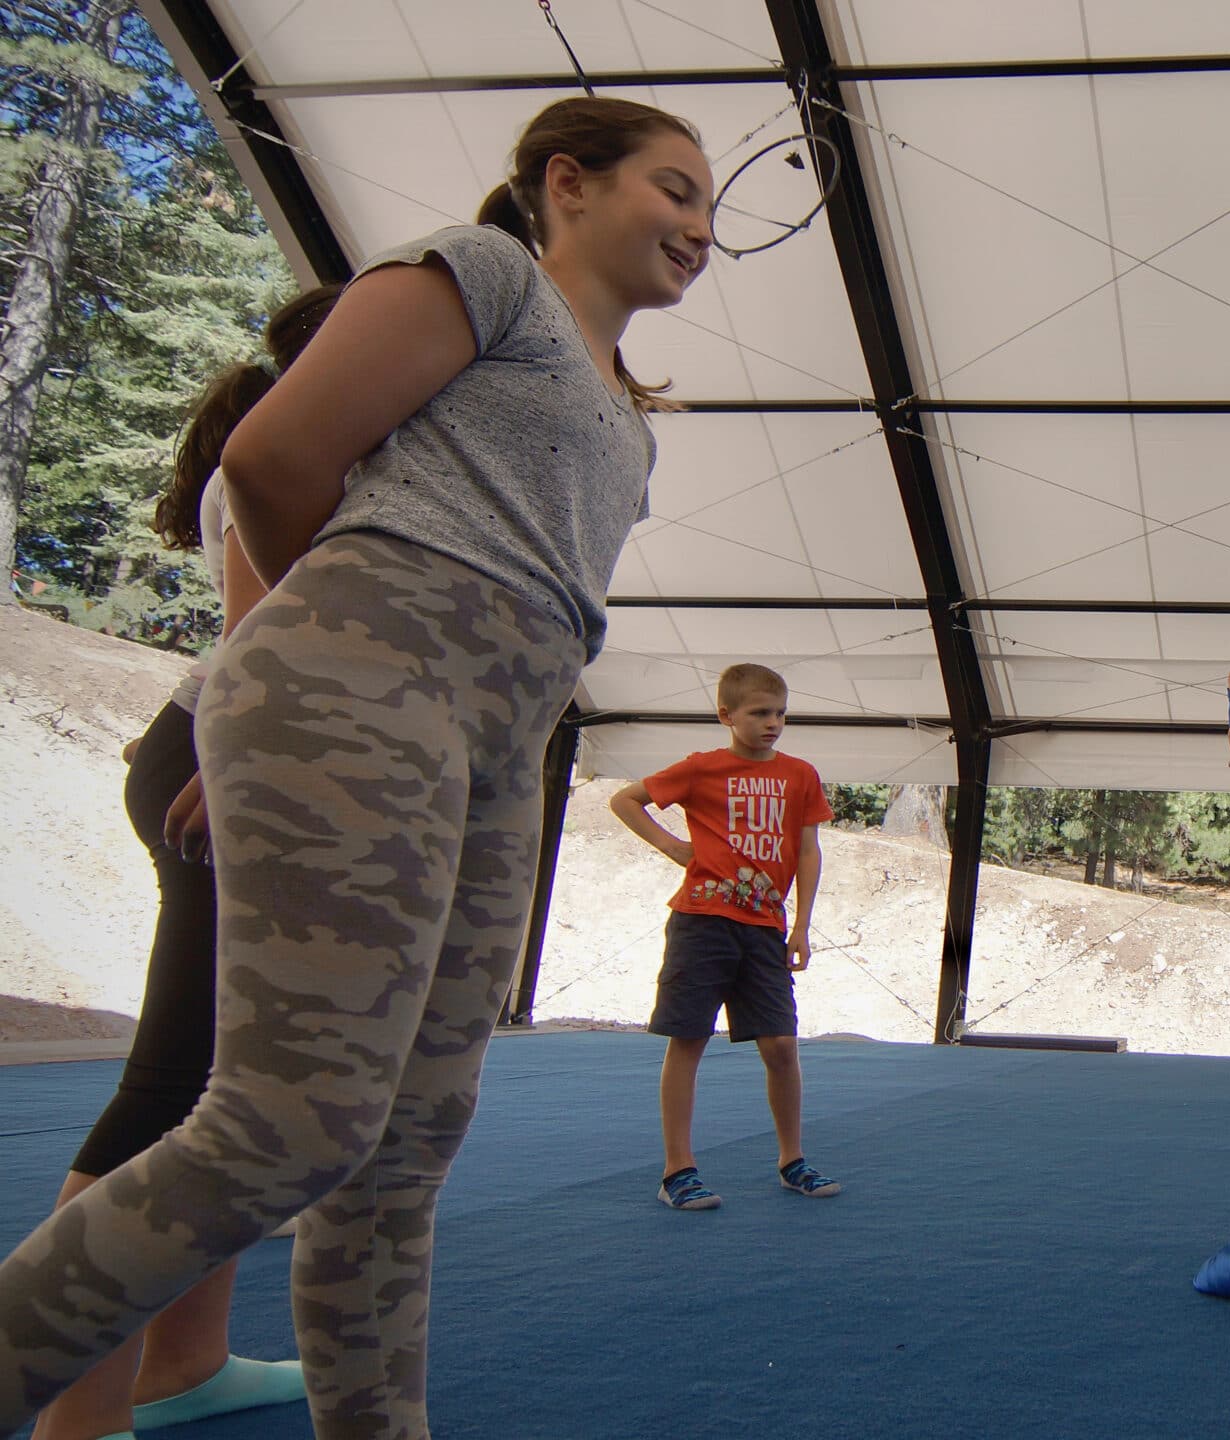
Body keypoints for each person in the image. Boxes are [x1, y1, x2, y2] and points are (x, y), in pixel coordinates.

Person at [0, 95, 714, 1437]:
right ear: (567, 182)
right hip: (367, 687)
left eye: (711, 209)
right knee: (286, 1126)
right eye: (673, 189)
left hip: (502, 743)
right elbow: (273, 457)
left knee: (399, 1160)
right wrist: (339, 649)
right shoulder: (486, 272)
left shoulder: (630, 419)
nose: (699, 225)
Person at [28, 288, 338, 1440]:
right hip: (224, 760)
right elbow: (261, 629)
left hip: (226, 752)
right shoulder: (291, 451)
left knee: (225, 1098)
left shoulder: (301, 445)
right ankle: (76, 1405)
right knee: (169, 1092)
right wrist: (235, 751)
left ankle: (186, 1362)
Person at [608, 663, 839, 1211]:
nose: (772, 723)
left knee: (781, 1045)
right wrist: (674, 848)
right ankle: (677, 1170)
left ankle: (792, 1159)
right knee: (688, 1039)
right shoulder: (701, 769)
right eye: (760, 713)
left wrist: (802, 922)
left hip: (766, 929)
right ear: (726, 715)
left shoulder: (799, 775)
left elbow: (807, 850)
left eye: (781, 713)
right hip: (702, 922)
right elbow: (624, 800)